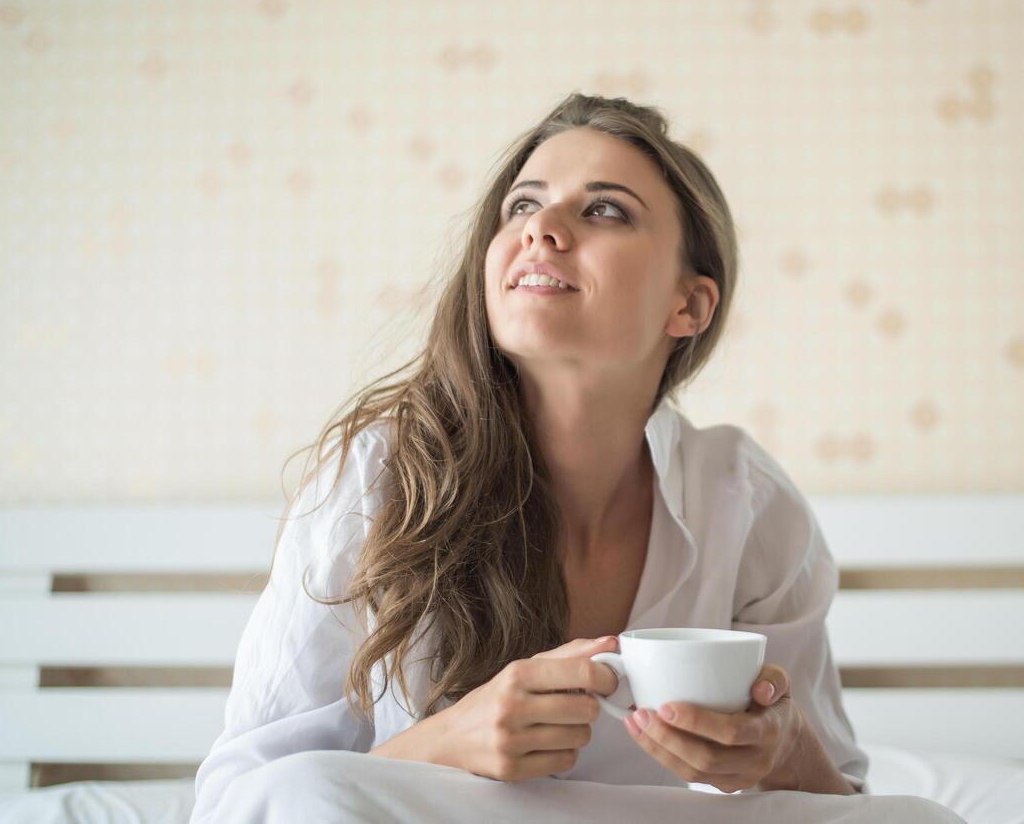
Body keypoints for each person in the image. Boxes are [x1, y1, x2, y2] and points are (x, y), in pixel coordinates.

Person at [189, 93, 964, 824]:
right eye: (522, 204)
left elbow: (837, 801)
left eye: (603, 209)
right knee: (303, 794)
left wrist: (781, 748)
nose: (541, 227)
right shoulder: (383, 477)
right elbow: (239, 803)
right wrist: (446, 743)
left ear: (687, 306)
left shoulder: (744, 500)